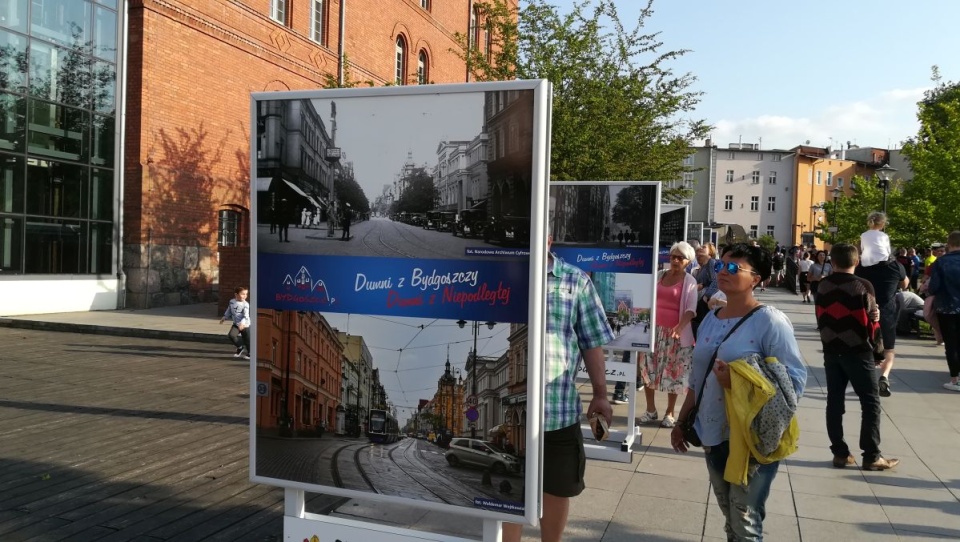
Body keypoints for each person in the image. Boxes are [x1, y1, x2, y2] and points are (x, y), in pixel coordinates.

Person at [671, 243, 807, 541]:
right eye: (721, 265)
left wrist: (739, 383)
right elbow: (697, 379)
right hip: (712, 430)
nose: (723, 272)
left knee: (745, 521)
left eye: (734, 268)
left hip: (752, 435)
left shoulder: (770, 321)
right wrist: (681, 422)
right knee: (729, 515)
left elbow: (794, 381)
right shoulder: (710, 318)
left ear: (756, 279)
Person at [503, 231, 614, 542]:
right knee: (508, 493)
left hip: (558, 410)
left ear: (549, 238)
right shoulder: (503, 274)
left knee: (557, 490)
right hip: (510, 411)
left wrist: (601, 395)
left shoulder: (574, 281)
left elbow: (591, 342)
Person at [816, 244, 899, 471]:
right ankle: (871, 455)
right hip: (857, 350)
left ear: (832, 262)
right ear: (857, 262)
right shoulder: (863, 285)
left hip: (832, 350)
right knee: (870, 402)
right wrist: (879, 352)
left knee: (835, 401)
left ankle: (840, 452)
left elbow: (822, 316)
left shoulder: (823, 285)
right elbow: (872, 321)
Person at [636, 242, 698, 428]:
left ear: (688, 261)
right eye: (673, 257)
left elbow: (690, 309)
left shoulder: (690, 282)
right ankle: (650, 410)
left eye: (680, 258)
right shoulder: (660, 276)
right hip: (653, 331)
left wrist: (680, 327)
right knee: (647, 369)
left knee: (674, 374)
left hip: (675, 334)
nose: (676, 260)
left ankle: (670, 412)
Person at [856, 255, 908, 397]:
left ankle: (869, 379)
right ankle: (884, 376)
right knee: (889, 349)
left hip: (866, 312)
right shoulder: (896, 266)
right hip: (887, 313)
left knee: (866, 347)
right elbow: (905, 285)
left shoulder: (862, 266)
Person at [928, 231, 960, 392]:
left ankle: (955, 378)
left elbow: (934, 287)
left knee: (951, 343)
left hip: (947, 306)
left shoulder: (941, 262)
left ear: (949, 243)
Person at [219, 286, 251, 359]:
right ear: (236, 295)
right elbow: (229, 310)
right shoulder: (232, 301)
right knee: (231, 335)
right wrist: (225, 317)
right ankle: (240, 347)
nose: (245, 296)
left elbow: (246, 316)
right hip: (236, 324)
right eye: (243, 294)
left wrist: (242, 323)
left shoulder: (245, 304)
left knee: (247, 340)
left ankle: (250, 353)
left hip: (245, 325)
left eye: (246, 294)